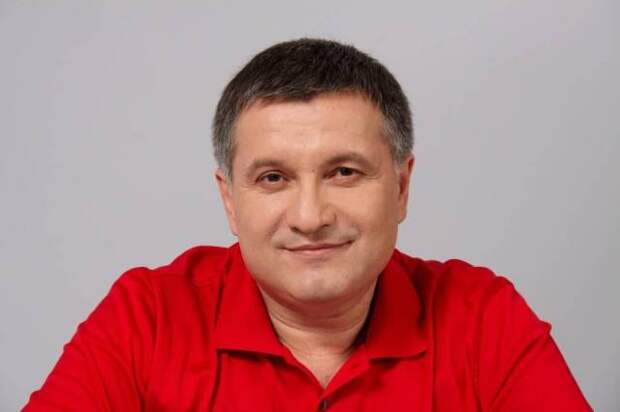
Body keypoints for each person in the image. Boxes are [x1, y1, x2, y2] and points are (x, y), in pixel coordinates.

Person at [23, 38, 592, 411]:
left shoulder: (482, 318)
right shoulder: (146, 318)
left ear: (400, 188)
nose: (310, 217)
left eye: (344, 172)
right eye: (273, 178)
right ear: (229, 200)